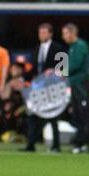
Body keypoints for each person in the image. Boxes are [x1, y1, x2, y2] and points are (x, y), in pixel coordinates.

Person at [25, 23, 64, 152]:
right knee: (32, 115)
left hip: (52, 88)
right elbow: (33, 69)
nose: (41, 35)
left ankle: (56, 145)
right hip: (38, 88)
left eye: (44, 32)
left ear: (50, 34)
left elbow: (64, 70)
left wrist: (53, 70)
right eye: (40, 32)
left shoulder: (59, 48)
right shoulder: (36, 49)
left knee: (53, 117)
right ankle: (31, 144)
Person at [61, 22, 89, 153]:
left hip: (82, 85)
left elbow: (74, 65)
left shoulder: (80, 46)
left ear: (72, 33)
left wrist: (60, 72)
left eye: (65, 33)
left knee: (84, 114)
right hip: (75, 85)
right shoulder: (71, 47)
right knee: (76, 115)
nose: (63, 36)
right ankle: (80, 143)